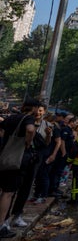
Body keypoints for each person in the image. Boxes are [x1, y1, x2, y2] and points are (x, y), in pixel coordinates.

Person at [0, 99, 38, 237]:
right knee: (8, 192)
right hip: (18, 159)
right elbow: (30, 129)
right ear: (33, 108)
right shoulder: (28, 118)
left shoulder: (11, 118)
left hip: (5, 156)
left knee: (4, 190)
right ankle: (1, 226)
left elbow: (1, 130)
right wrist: (28, 142)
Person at [48, 111, 73, 198]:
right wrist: (64, 153)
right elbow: (61, 141)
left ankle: (55, 188)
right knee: (55, 172)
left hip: (60, 153)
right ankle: (52, 189)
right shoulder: (61, 128)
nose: (65, 120)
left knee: (58, 172)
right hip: (58, 154)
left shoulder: (64, 127)